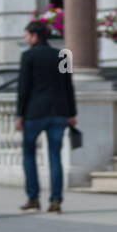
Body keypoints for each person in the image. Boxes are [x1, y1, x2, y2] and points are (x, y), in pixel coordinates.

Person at [15, 19, 77, 213]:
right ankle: (56, 201)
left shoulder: (28, 56)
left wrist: (19, 114)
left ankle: (33, 197)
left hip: (35, 113)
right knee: (55, 158)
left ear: (34, 36)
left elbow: (23, 88)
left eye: (26, 36)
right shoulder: (62, 55)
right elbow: (69, 85)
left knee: (29, 155)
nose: (25, 40)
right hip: (59, 112)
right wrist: (72, 113)